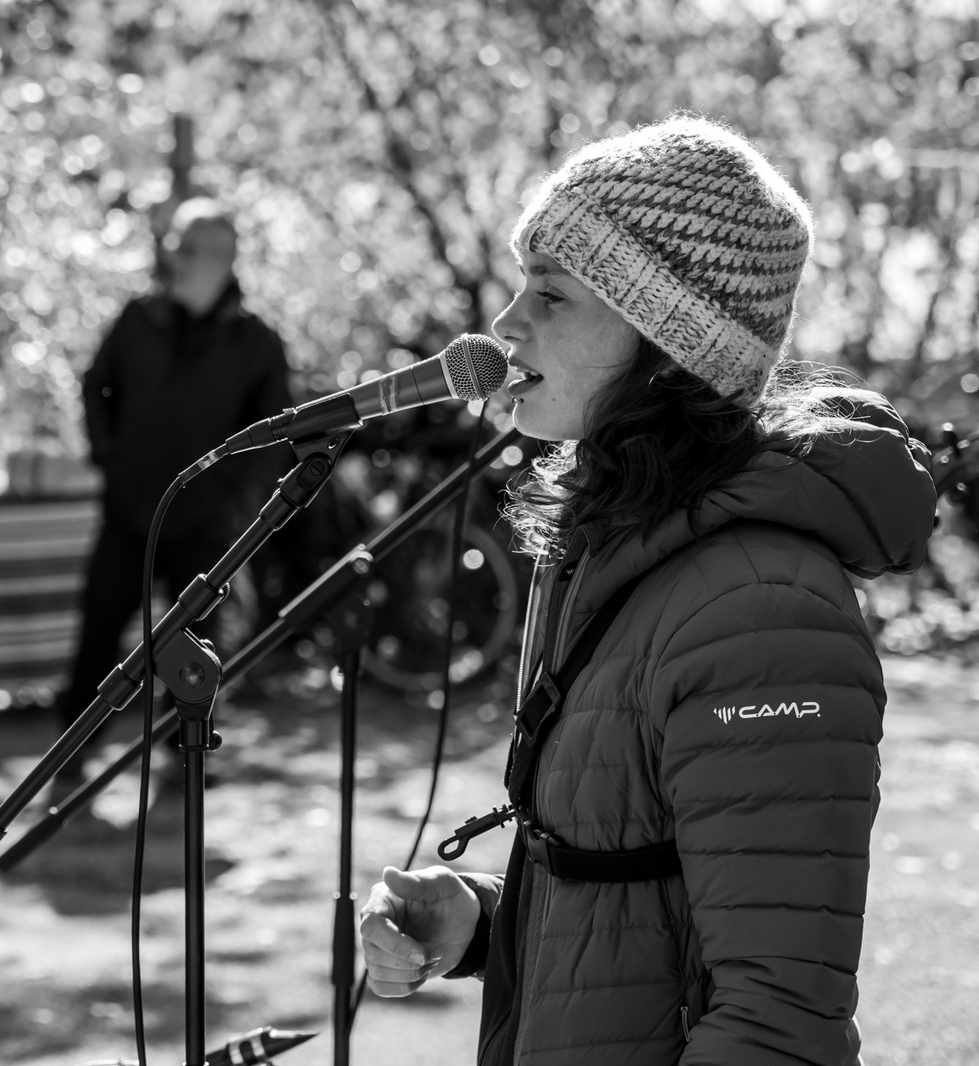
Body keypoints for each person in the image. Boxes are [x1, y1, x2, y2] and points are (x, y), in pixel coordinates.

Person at [356, 116, 935, 1065]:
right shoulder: (620, 548)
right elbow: (644, 912)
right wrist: (483, 922)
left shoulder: (760, 613)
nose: (503, 326)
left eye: (550, 295)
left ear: (668, 342)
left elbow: (777, 1025)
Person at [55, 198, 293, 777]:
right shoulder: (139, 317)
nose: (172, 258)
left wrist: (234, 498)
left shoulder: (257, 341)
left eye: (185, 248)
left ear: (222, 257)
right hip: (128, 512)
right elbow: (96, 387)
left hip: (205, 523)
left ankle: (182, 755)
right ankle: (71, 751)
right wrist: (109, 458)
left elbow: (278, 432)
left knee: (193, 650)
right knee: (99, 632)